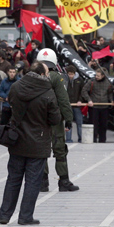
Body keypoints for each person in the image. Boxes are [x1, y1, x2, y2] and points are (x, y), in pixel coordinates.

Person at [0, 62, 61, 226]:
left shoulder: (16, 87)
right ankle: (25, 216)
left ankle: (4, 215)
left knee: (13, 178)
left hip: (17, 138)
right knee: (33, 181)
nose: (48, 76)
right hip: (38, 141)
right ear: (41, 74)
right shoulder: (48, 92)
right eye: (46, 72)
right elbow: (54, 119)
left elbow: (10, 106)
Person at [36, 49, 79, 192]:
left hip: (37, 119)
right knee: (59, 150)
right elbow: (63, 99)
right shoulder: (56, 77)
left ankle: (42, 182)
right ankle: (64, 181)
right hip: (55, 119)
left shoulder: (31, 76)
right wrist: (68, 118)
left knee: (41, 150)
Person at [64, 66, 85, 143]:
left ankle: (81, 138)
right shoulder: (64, 80)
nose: (70, 76)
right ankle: (68, 139)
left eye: (72, 74)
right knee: (68, 122)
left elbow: (82, 92)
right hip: (68, 104)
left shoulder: (79, 80)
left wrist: (80, 100)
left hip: (77, 105)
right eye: (69, 74)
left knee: (79, 123)